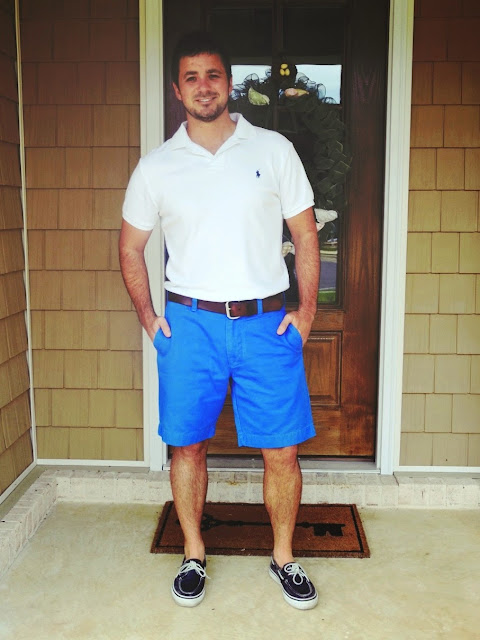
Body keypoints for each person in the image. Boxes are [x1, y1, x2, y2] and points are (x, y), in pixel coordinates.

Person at [119, 31, 320, 610]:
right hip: (190, 326)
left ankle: (284, 557)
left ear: (229, 83)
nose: (203, 86)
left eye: (213, 75)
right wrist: (150, 319)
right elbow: (130, 247)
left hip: (265, 323)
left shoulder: (273, 150)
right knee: (186, 448)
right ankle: (193, 553)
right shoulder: (158, 167)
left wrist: (306, 312)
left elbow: (306, 234)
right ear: (177, 89)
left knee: (282, 451)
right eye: (192, 77)